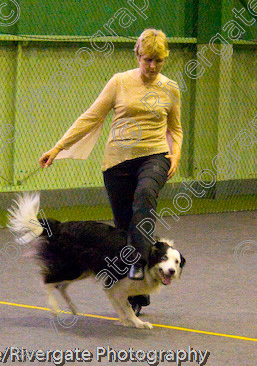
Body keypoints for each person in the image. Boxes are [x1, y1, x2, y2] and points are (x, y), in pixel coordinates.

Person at [38, 28, 183, 316]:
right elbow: (91, 117)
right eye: (147, 60)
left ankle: (139, 265)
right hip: (117, 163)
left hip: (153, 156)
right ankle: (137, 296)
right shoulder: (119, 82)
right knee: (126, 226)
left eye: (158, 61)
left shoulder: (170, 88)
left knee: (145, 195)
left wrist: (175, 152)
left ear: (164, 60)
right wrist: (58, 147)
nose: (152, 67)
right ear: (137, 55)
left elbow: (175, 128)